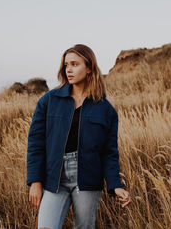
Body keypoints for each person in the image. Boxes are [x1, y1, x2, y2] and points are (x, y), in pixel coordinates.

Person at [26, 44, 131, 229]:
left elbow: (109, 153)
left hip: (88, 178)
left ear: (89, 68)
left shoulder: (106, 110)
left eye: (74, 64)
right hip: (54, 177)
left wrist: (116, 185)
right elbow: (36, 143)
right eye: (66, 65)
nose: (69, 69)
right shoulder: (49, 101)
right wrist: (35, 181)